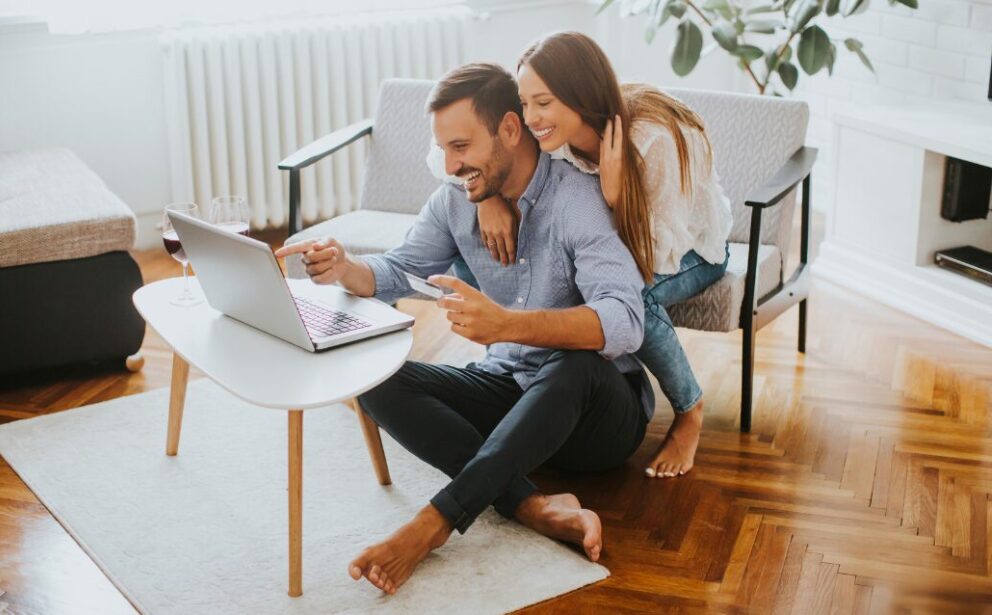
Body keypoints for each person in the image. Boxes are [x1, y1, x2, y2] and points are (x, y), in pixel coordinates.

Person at [275, 62, 654, 595]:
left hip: (597, 417)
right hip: (512, 391)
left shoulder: (576, 200)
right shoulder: (458, 200)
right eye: (445, 150)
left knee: (575, 364)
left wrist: (510, 324)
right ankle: (530, 504)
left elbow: (625, 320)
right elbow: (400, 268)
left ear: (509, 129)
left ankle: (431, 527)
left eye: (460, 147)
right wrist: (346, 269)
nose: (450, 165)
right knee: (374, 377)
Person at [443, 31, 733, 479]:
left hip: (688, 248)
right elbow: (451, 153)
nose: (531, 118)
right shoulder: (549, 136)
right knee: (472, 249)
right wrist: (488, 198)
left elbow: (648, 258)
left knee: (634, 299)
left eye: (544, 102)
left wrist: (617, 198)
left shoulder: (654, 139)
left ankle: (689, 410)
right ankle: (515, 368)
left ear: (579, 92)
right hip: (623, 248)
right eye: (525, 102)